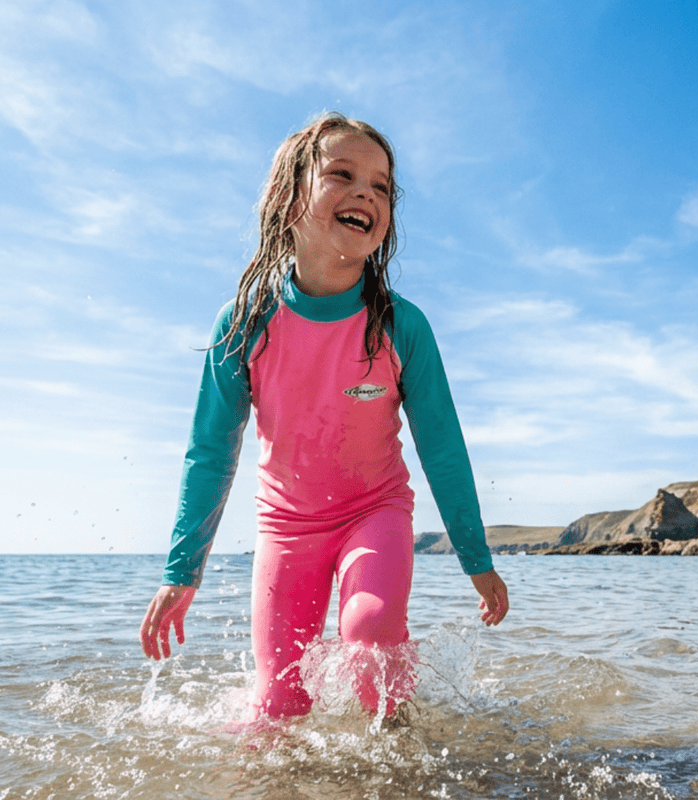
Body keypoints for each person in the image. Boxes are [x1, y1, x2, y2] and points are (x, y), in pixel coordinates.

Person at [140, 112, 509, 721]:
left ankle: (399, 764)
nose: (367, 192)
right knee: (277, 705)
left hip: (376, 513)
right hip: (287, 529)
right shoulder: (244, 323)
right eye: (342, 174)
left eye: (383, 186)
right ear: (289, 199)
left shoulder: (399, 327)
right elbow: (210, 451)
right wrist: (181, 571)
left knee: (369, 633)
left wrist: (477, 558)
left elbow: (441, 447)